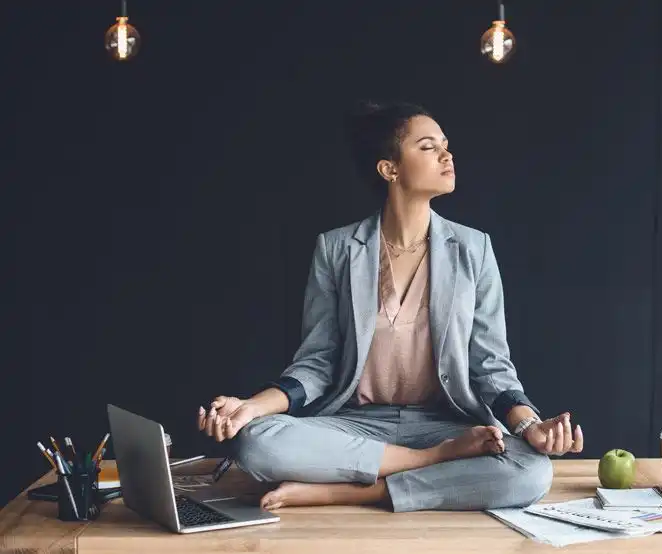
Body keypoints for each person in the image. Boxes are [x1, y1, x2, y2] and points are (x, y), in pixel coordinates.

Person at [196, 101, 584, 513]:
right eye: (428, 146)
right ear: (390, 169)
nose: (447, 155)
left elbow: (490, 365)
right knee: (256, 442)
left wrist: (529, 425)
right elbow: (317, 362)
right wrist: (250, 407)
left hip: (444, 422)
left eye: (446, 145)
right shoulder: (337, 249)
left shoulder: (475, 249)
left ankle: (353, 491)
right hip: (357, 424)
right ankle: (429, 464)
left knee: (531, 470)